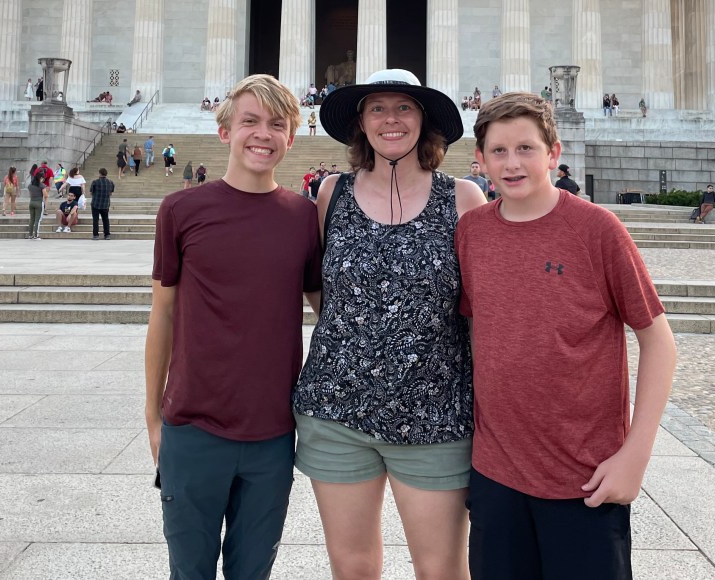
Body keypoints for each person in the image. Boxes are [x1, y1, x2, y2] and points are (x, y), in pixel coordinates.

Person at [455, 92, 677, 580]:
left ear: (553, 154)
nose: (512, 164)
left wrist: (635, 455)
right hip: (497, 475)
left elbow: (658, 341)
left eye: (526, 149)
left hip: (586, 476)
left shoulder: (597, 229)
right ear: (480, 159)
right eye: (498, 151)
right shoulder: (472, 232)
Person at [293, 68, 488, 580]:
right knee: (352, 566)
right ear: (361, 122)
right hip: (337, 410)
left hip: (434, 416)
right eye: (377, 108)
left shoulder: (462, 198)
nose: (391, 119)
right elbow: (318, 287)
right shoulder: (331, 193)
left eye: (404, 107)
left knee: (442, 568)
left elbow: (484, 304)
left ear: (424, 121)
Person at [145, 74, 322, 580]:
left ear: (292, 137)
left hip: (272, 432)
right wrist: (153, 415)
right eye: (250, 121)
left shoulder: (303, 217)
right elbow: (164, 315)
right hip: (193, 426)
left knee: (253, 571)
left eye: (276, 124)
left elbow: (327, 313)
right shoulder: (181, 210)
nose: (262, 134)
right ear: (225, 131)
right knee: (190, 570)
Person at [90, 167, 115, 239]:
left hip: (95, 203)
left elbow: (91, 192)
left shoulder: (95, 182)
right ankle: (107, 234)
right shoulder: (110, 182)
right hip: (105, 203)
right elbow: (111, 193)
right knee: (105, 219)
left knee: (95, 220)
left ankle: (96, 235)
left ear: (100, 173)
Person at [26, 164, 48, 239]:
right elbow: (45, 195)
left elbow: (30, 194)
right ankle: (36, 235)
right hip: (39, 202)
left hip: (31, 202)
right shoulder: (42, 185)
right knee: (37, 220)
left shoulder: (30, 185)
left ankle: (30, 235)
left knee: (31, 219)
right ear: (41, 178)